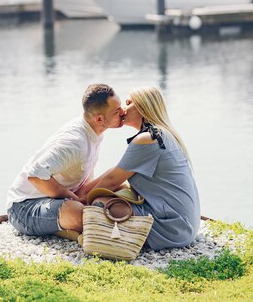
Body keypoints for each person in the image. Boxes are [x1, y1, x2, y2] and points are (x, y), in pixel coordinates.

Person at [78, 86, 200, 250]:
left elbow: (113, 179)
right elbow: (117, 171)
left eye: (128, 103)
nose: (122, 109)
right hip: (184, 226)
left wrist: (82, 201)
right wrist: (81, 191)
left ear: (142, 107)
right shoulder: (162, 134)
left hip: (172, 229)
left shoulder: (148, 139)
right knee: (114, 194)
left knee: (101, 203)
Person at [6, 83, 124, 236]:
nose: (122, 112)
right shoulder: (75, 142)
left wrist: (88, 196)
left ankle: (76, 224)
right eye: (117, 111)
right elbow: (35, 175)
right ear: (99, 119)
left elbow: (86, 171)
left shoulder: (94, 131)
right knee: (79, 213)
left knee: (121, 184)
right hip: (24, 207)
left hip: (62, 199)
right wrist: (69, 197)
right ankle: (75, 226)